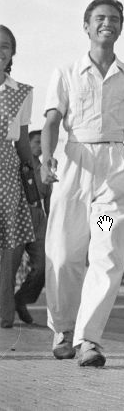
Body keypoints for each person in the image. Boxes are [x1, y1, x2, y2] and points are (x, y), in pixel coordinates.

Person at [40, 0, 124, 366]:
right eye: (100, 18)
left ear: (121, 27)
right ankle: (63, 329)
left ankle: (89, 339)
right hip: (74, 171)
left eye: (115, 18)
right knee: (66, 251)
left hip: (113, 176)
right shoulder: (67, 72)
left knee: (106, 250)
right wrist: (45, 160)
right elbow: (53, 121)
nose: (108, 23)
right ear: (86, 26)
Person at [0, 26, 38, 328]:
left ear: (13, 53)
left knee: (7, 248)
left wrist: (34, 189)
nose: (0, 51)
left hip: (7, 174)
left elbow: (23, 141)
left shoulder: (21, 92)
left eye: (5, 46)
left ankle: (5, 311)